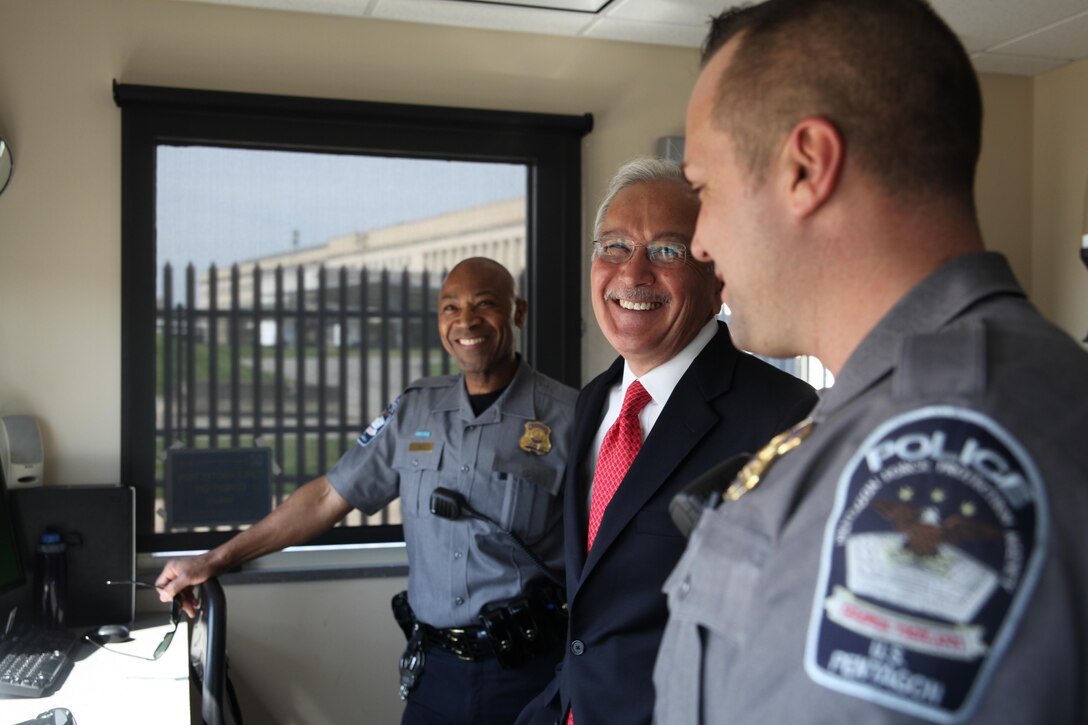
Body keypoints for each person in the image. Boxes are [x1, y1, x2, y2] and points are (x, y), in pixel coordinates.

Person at [655, 1, 1088, 723]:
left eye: (703, 189)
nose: (699, 241)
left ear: (806, 166)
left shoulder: (941, 455)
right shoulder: (970, 396)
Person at [155, 257, 577, 725]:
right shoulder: (414, 412)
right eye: (450, 307)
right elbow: (325, 498)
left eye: (485, 305)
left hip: (533, 673)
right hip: (435, 673)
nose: (466, 321)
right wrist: (214, 559)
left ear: (517, 312)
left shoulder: (570, 418)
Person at [516, 156, 818, 725]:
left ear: (717, 277)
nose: (633, 274)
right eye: (614, 247)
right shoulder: (593, 402)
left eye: (667, 252)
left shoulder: (784, 419)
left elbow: (785, 639)